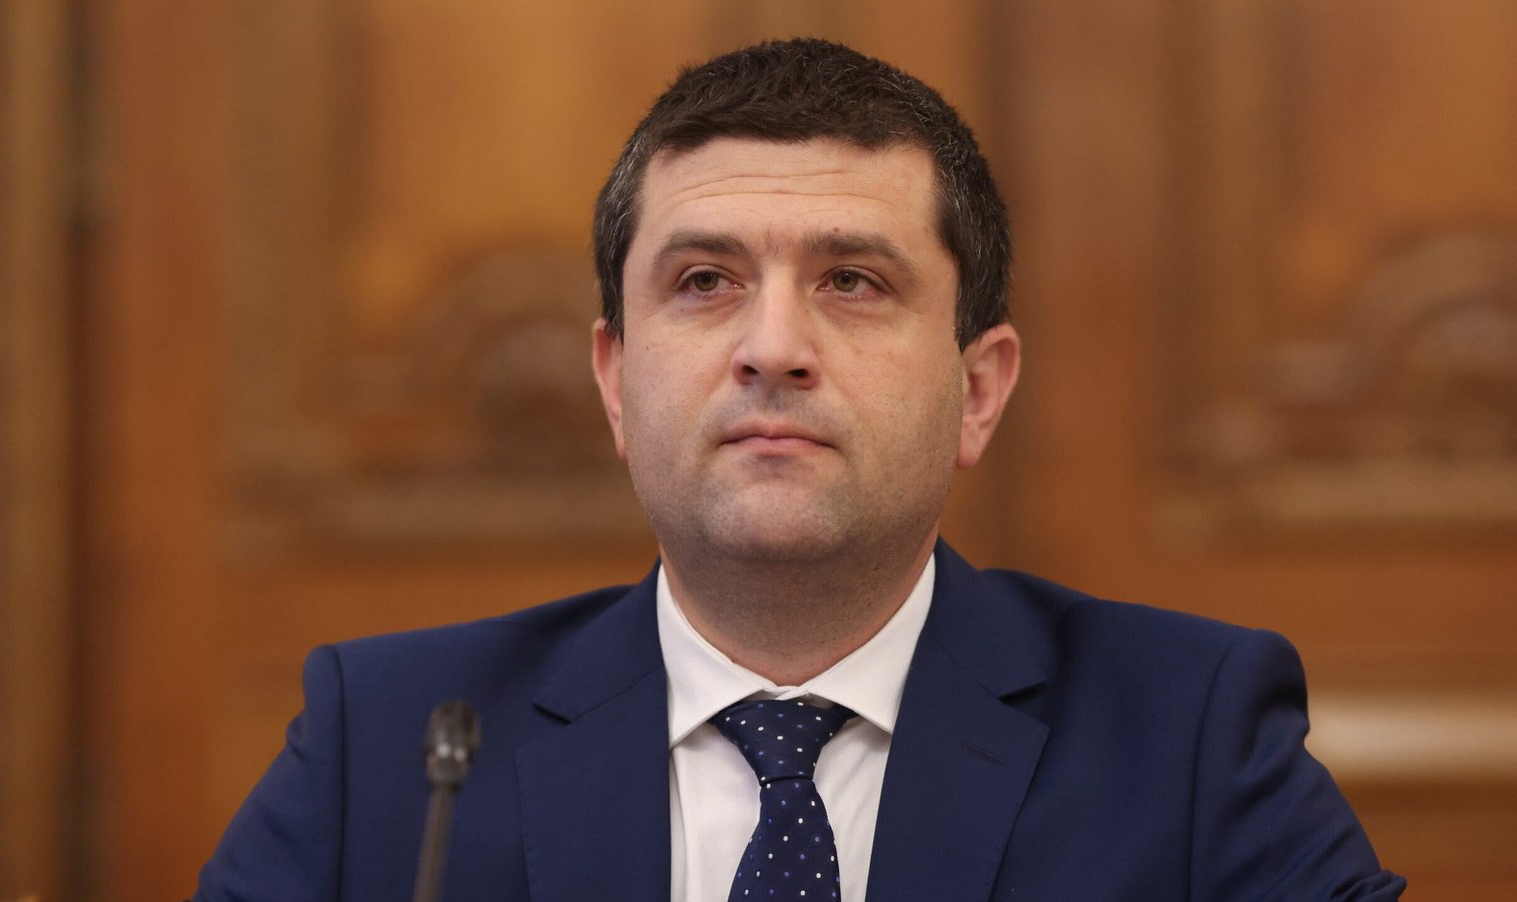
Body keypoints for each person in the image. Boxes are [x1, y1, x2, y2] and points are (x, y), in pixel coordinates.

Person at [195, 38, 1404, 901]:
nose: (773, 347)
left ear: (976, 389)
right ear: (615, 381)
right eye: (705, 281)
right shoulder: (397, 744)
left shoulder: (1185, 736)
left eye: (853, 282)